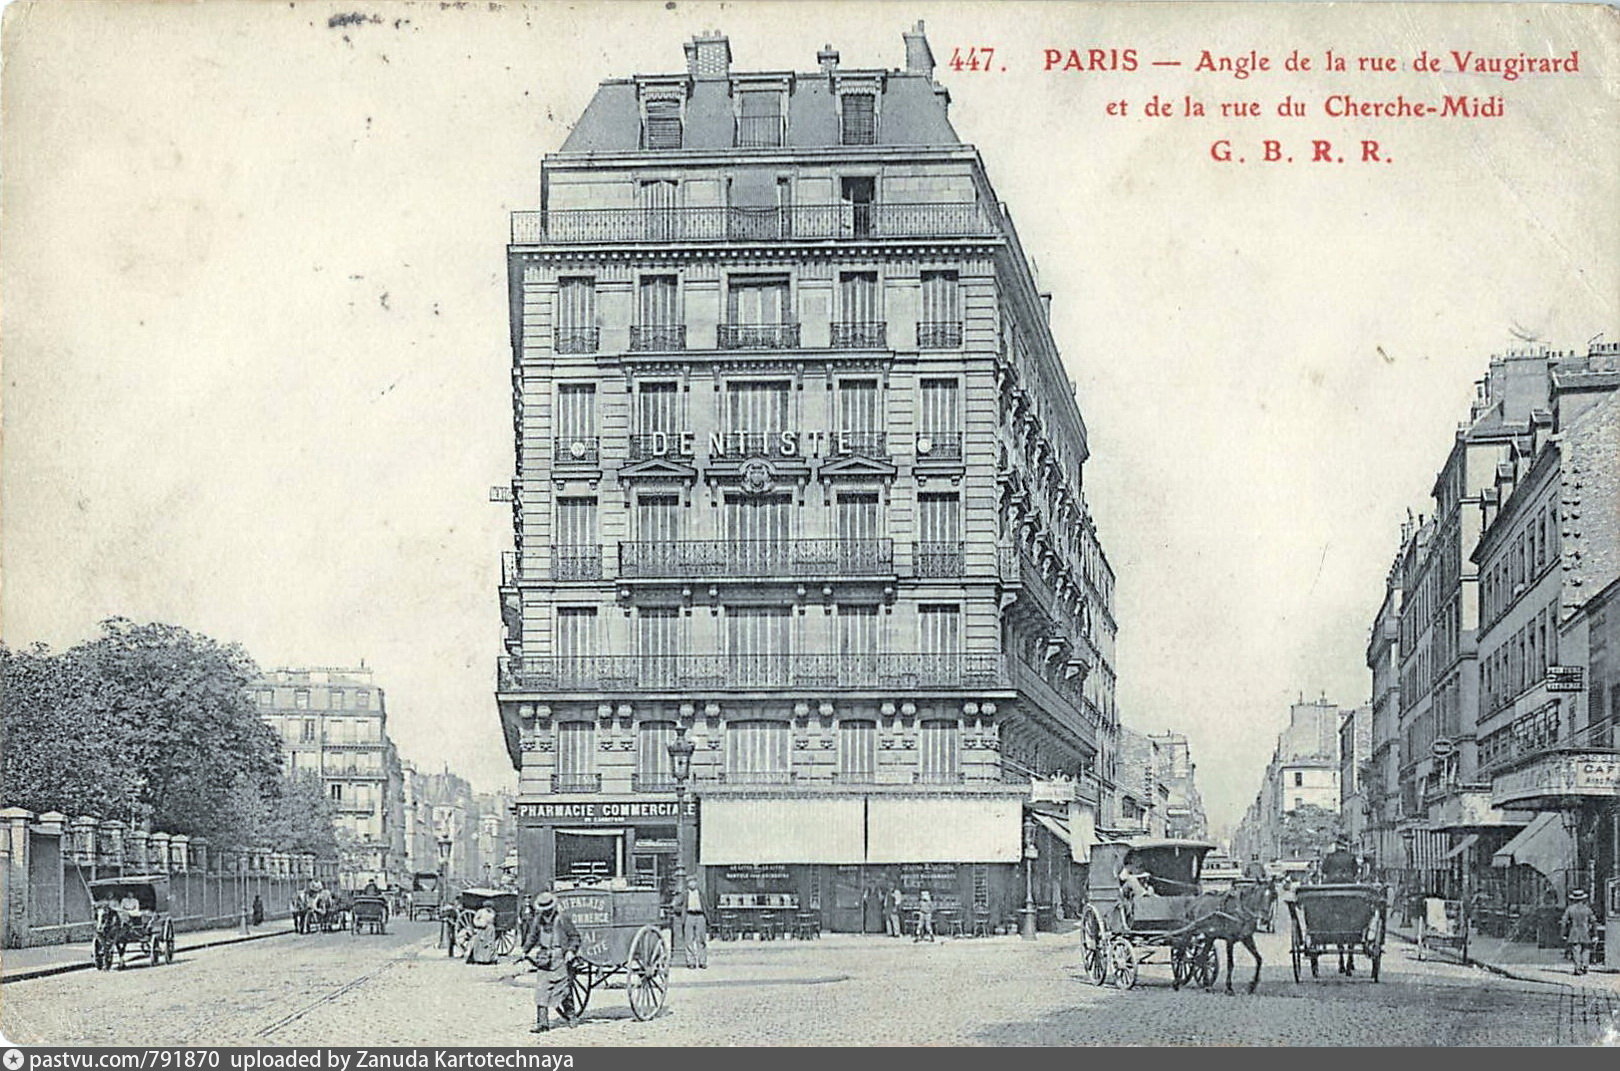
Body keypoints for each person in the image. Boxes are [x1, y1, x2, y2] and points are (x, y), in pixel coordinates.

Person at [522, 891, 582, 1032]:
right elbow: (532, 936)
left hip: (560, 957)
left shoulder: (562, 919)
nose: (546, 913)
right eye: (543, 910)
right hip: (545, 959)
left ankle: (571, 1016)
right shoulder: (538, 919)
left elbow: (575, 937)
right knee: (541, 991)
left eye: (548, 910)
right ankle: (542, 1024)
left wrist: (570, 951)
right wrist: (525, 951)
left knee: (564, 990)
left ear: (553, 907)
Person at [1561, 889, 1595, 976]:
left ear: (1573, 899)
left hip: (1574, 933)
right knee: (1586, 950)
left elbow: (1564, 922)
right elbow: (1593, 922)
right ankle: (1585, 966)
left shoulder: (1570, 909)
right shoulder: (1587, 909)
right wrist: (1595, 934)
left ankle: (1578, 968)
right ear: (1583, 899)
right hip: (1585, 932)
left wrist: (1563, 933)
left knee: (1576, 950)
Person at [679, 876, 708, 969]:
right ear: (687, 884)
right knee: (689, 940)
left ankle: (702, 961)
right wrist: (682, 911)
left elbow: (706, 905)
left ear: (696, 882)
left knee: (701, 940)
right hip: (689, 916)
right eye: (690, 882)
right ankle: (691, 961)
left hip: (700, 916)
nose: (692, 884)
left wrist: (707, 916)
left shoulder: (701, 893)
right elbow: (676, 904)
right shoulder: (685, 894)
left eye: (694, 881)